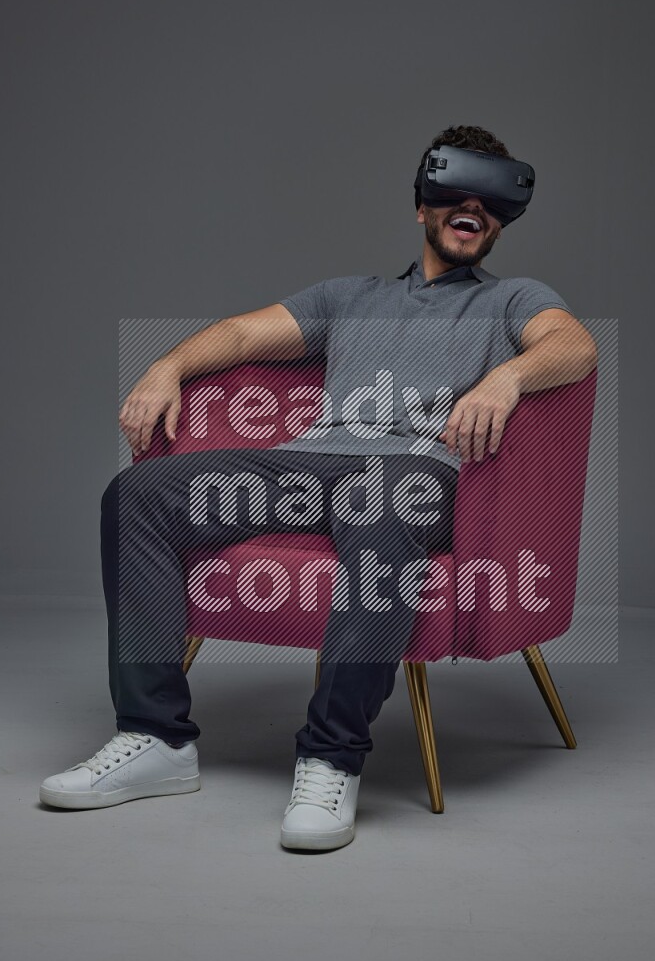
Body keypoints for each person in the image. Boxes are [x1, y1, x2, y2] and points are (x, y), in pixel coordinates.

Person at [39, 124, 597, 851]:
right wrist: (166, 366)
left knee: (382, 498)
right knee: (138, 494)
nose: (472, 209)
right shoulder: (348, 296)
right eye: (454, 195)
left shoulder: (514, 298)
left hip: (412, 472)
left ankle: (331, 757)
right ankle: (155, 738)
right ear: (421, 207)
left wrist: (508, 376)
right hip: (308, 467)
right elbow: (242, 336)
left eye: (489, 202)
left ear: (501, 221)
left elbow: (574, 344)